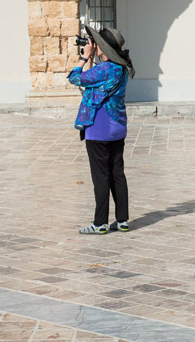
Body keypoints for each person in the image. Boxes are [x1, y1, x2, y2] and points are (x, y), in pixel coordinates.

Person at [68, 26, 135, 235]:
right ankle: (122, 220)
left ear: (102, 48)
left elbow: (76, 78)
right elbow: (93, 80)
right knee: (117, 174)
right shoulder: (121, 68)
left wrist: (83, 57)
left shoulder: (104, 69)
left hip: (99, 129)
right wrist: (91, 59)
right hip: (118, 127)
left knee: (101, 177)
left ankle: (99, 223)